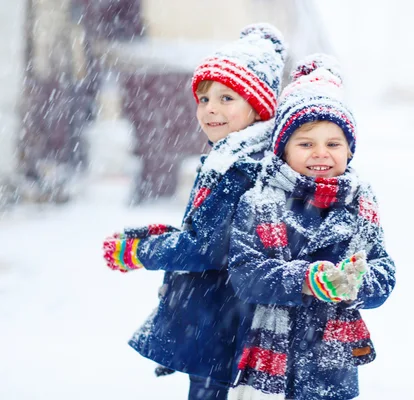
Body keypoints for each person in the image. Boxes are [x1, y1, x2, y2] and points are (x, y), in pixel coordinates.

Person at [101, 23, 287, 400]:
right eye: (204, 99)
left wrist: (138, 252)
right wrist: (160, 235)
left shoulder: (240, 168)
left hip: (223, 319)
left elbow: (206, 248)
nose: (210, 109)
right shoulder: (228, 157)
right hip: (219, 317)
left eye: (226, 99)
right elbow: (207, 230)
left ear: (258, 105)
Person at [226, 54, 396, 400]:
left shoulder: (360, 204)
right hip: (270, 362)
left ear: (349, 150)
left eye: (333, 144)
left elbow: (383, 268)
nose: (321, 153)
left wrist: (356, 283)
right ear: (284, 150)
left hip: (330, 366)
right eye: (306, 144)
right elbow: (245, 274)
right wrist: (306, 280)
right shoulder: (260, 202)